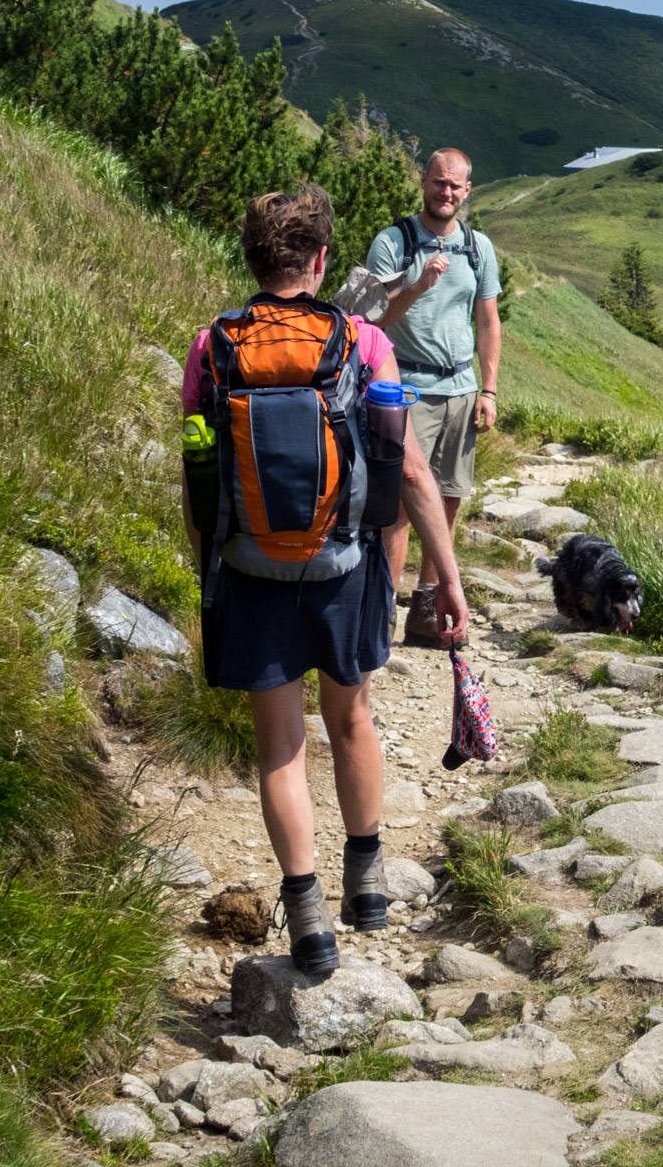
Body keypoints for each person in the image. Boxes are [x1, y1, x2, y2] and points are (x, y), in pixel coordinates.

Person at [180, 184, 468, 977]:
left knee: (279, 748)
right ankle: (367, 886)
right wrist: (446, 577)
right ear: (319, 260)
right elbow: (408, 471)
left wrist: (208, 566)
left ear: (251, 258)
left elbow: (198, 478)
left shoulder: (212, 347)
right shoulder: (363, 344)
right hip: (345, 566)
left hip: (249, 567)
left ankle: (307, 916)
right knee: (351, 721)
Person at [364, 148, 502, 644]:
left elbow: (487, 321)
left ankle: (426, 612)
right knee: (401, 506)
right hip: (405, 390)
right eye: (438, 182)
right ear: (423, 181)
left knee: (446, 501)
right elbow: (372, 321)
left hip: (461, 389)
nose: (446, 193)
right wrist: (418, 286)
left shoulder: (477, 246)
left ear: (468, 192)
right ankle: (380, 613)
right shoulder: (393, 243)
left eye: (455, 186)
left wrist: (488, 388)